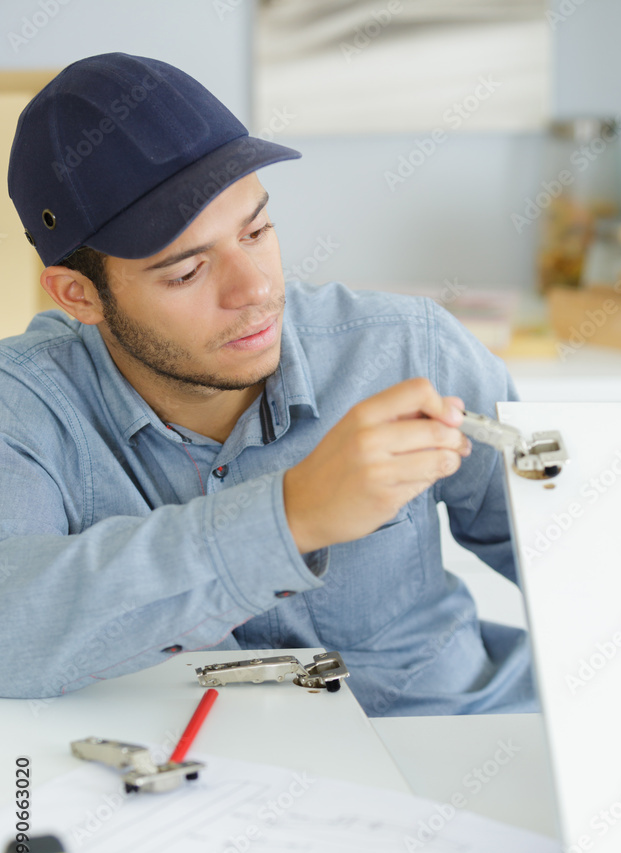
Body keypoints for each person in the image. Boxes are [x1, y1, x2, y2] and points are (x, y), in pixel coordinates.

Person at [1, 52, 537, 716]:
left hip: (453, 734)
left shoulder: (407, 346)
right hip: (196, 769)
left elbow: (591, 559)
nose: (255, 289)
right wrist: (289, 516)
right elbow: (11, 632)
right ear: (79, 296)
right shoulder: (24, 405)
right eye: (187, 272)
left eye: (255, 231)